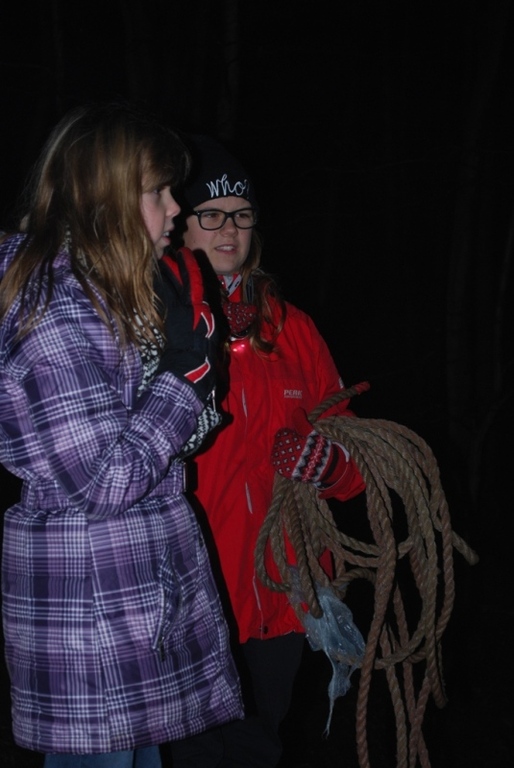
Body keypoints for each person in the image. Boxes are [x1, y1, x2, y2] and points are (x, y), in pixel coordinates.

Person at [0, 104, 243, 768]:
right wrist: (184, 377)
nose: (175, 209)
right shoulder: (52, 307)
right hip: (93, 614)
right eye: (158, 192)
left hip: (128, 603)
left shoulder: (103, 294)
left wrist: (186, 383)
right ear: (100, 197)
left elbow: (155, 443)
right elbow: (105, 481)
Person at [168, 136, 366, 767]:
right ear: (178, 222)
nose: (229, 229)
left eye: (242, 214)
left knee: (259, 747)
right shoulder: (158, 325)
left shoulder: (293, 328)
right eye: (210, 214)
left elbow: (354, 456)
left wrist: (330, 466)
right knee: (192, 755)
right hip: (192, 594)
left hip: (284, 594)